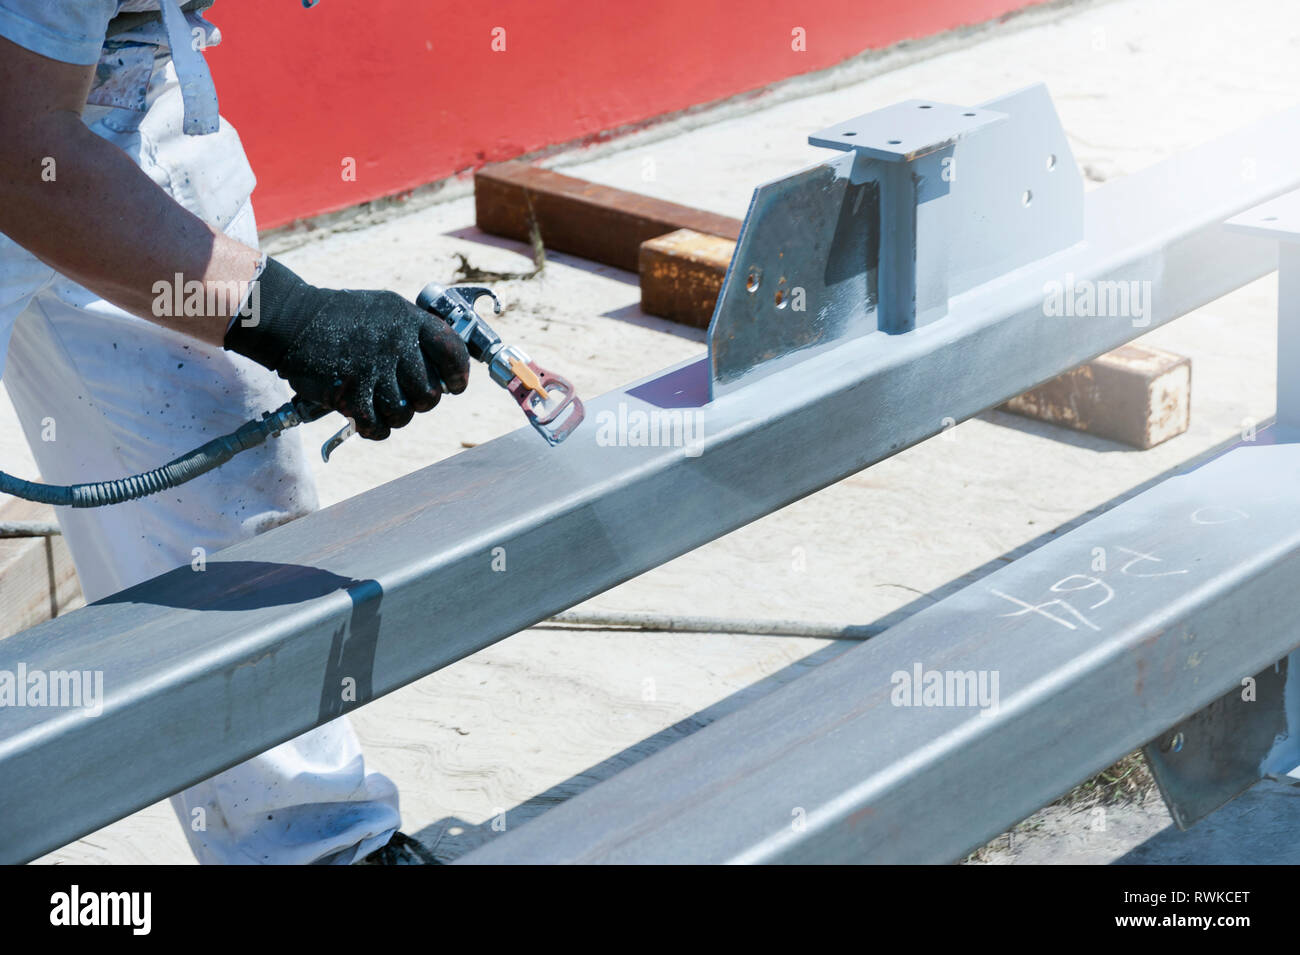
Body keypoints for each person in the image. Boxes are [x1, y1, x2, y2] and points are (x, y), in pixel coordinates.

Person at [0, 0, 468, 863]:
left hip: (123, 75)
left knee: (239, 521)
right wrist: (285, 317)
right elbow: (23, 156)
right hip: (24, 125)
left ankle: (317, 846)